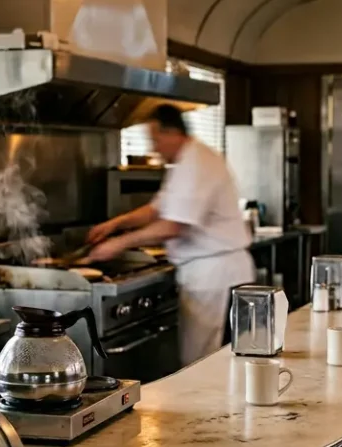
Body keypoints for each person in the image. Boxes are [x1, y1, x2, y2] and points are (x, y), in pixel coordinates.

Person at [86, 104, 255, 365]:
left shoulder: (196, 162)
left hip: (214, 276)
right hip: (212, 271)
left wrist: (118, 244)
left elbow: (173, 226)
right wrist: (115, 224)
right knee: (207, 363)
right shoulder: (185, 161)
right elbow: (156, 209)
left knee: (202, 366)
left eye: (155, 140)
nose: (153, 148)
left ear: (172, 132)